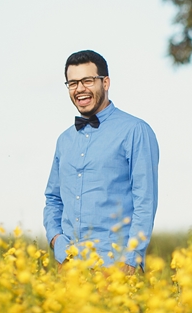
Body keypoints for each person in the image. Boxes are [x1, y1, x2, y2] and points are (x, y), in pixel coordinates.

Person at [44, 50, 159, 274]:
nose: (80, 89)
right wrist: (57, 243)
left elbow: (145, 201)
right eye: (73, 83)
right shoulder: (64, 140)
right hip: (68, 269)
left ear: (105, 82)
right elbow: (53, 199)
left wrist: (130, 262)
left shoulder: (135, 131)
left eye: (87, 80)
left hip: (115, 268)